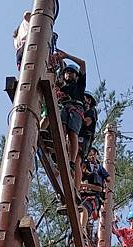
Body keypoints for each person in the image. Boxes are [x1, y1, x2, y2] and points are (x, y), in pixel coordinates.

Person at [54, 51, 87, 186]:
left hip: (76, 108)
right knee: (61, 129)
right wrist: (60, 62)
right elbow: (59, 73)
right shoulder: (62, 86)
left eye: (72, 73)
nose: (69, 75)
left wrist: (66, 56)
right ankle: (62, 152)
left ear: (76, 75)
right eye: (67, 73)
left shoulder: (79, 85)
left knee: (73, 134)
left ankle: (72, 161)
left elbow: (83, 63)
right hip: (64, 108)